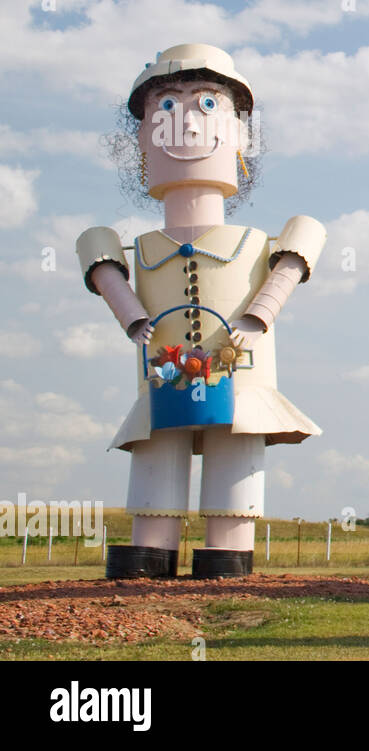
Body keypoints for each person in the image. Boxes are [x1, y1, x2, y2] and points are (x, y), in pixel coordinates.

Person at [76, 43, 326, 578]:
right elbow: (99, 260)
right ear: (143, 139)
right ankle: (150, 551)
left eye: (209, 105)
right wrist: (130, 313)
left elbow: (300, 250)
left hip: (243, 374)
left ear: (241, 136)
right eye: (165, 107)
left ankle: (226, 551)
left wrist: (258, 315)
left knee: (233, 449)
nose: (186, 124)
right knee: (156, 452)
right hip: (162, 374)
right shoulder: (140, 246)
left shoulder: (255, 241)